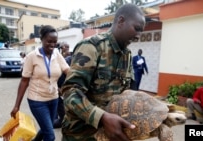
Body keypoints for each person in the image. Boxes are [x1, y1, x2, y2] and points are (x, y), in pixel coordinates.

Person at [60, 4, 145, 141]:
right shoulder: (92, 46)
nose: (138, 36)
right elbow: (70, 92)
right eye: (137, 29)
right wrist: (102, 117)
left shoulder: (127, 54)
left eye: (141, 31)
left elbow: (127, 93)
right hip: (81, 135)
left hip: (108, 134)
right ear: (121, 21)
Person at [10, 25, 70, 141]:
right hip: (37, 101)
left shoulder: (57, 54)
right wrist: (17, 105)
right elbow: (24, 81)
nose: (52, 45)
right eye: (49, 41)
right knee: (50, 135)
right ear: (41, 39)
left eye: (55, 42)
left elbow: (68, 71)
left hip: (54, 99)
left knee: (45, 128)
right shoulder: (31, 57)